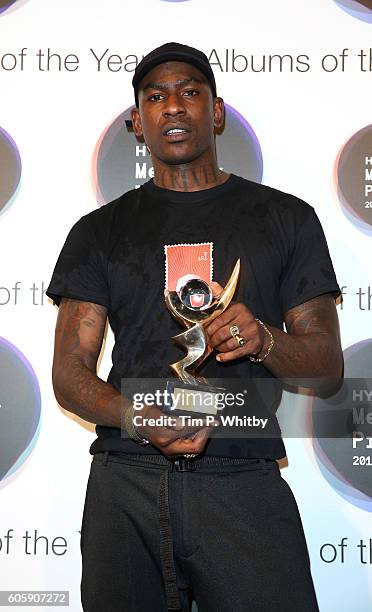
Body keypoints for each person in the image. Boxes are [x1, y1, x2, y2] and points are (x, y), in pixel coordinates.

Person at [47, 42, 343, 612]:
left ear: (218, 111)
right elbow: (69, 374)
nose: (173, 107)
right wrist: (138, 418)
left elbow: (327, 364)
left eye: (190, 92)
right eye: (155, 97)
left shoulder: (287, 218)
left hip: (243, 473)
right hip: (126, 478)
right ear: (137, 122)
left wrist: (266, 338)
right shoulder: (98, 230)